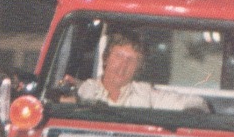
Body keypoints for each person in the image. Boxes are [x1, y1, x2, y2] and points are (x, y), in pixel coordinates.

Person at [73, 32, 208, 111]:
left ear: (138, 68)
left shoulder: (145, 93)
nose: (123, 65)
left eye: (132, 60)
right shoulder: (84, 90)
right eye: (118, 56)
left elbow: (196, 103)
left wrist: (193, 112)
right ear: (106, 58)